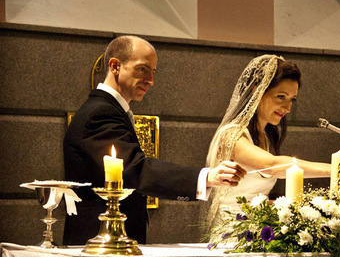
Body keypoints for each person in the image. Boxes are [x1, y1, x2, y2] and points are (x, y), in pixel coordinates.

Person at [64, 35, 246, 245]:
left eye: (153, 71)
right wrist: (205, 177)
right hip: (98, 241)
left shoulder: (108, 109)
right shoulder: (100, 113)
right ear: (115, 66)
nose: (151, 80)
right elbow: (134, 169)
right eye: (143, 69)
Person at [205, 55, 340, 236]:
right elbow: (272, 165)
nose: (287, 108)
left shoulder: (264, 137)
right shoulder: (231, 134)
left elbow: (254, 199)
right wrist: (335, 168)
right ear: (257, 91)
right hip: (231, 236)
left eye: (292, 99)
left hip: (258, 235)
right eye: (281, 97)